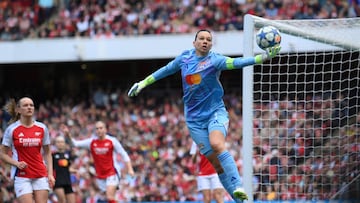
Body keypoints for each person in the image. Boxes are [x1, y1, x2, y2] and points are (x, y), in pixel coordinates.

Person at [128, 29, 281, 202]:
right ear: (194, 43)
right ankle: (241, 199)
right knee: (216, 164)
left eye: (208, 39)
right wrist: (142, 83)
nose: (205, 41)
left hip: (215, 112)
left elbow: (236, 63)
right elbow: (164, 70)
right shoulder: (184, 58)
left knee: (217, 144)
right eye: (201, 38)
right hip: (194, 120)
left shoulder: (215, 59)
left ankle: (238, 186)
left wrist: (261, 58)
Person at [62, 121, 135, 203]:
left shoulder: (112, 141)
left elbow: (123, 154)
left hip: (112, 171)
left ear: (105, 129)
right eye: (97, 129)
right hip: (100, 174)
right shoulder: (91, 142)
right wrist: (68, 135)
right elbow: (74, 144)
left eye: (101, 128)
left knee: (109, 196)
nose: (99, 130)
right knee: (110, 198)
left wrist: (130, 169)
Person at [0, 97, 55, 203]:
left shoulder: (42, 128)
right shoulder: (11, 130)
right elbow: (2, 154)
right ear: (18, 110)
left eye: (31, 105)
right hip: (22, 176)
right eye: (25, 105)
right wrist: (16, 163)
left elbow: (48, 152)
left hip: (40, 174)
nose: (29, 107)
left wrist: (50, 174)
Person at [52, 135, 77, 203]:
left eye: (62, 142)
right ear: (55, 144)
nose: (60, 143)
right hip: (58, 182)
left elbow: (67, 168)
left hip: (67, 182)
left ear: (64, 144)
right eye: (58, 142)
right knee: (62, 201)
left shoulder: (67, 155)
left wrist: (74, 171)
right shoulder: (52, 155)